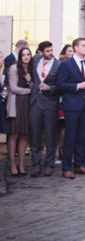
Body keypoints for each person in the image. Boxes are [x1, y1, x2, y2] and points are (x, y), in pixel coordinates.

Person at [56, 38, 85, 178]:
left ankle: (80, 165)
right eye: (83, 46)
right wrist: (77, 86)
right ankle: (67, 168)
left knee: (83, 137)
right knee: (70, 137)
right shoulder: (67, 64)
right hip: (72, 106)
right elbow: (60, 84)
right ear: (75, 48)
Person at [29, 41, 60, 177]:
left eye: (51, 50)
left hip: (50, 103)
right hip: (35, 102)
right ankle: (36, 165)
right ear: (40, 52)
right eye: (47, 51)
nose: (50, 53)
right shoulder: (35, 60)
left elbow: (60, 85)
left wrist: (50, 88)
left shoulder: (58, 65)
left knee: (50, 135)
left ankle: (49, 164)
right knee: (35, 135)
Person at [7, 46, 33, 176]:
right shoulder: (14, 68)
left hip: (28, 104)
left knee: (24, 135)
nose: (26, 57)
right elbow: (13, 88)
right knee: (14, 134)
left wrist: (30, 81)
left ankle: (21, 164)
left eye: (28, 54)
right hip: (16, 103)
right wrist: (29, 90)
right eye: (23, 55)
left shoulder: (32, 68)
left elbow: (35, 86)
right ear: (20, 56)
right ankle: (12, 164)